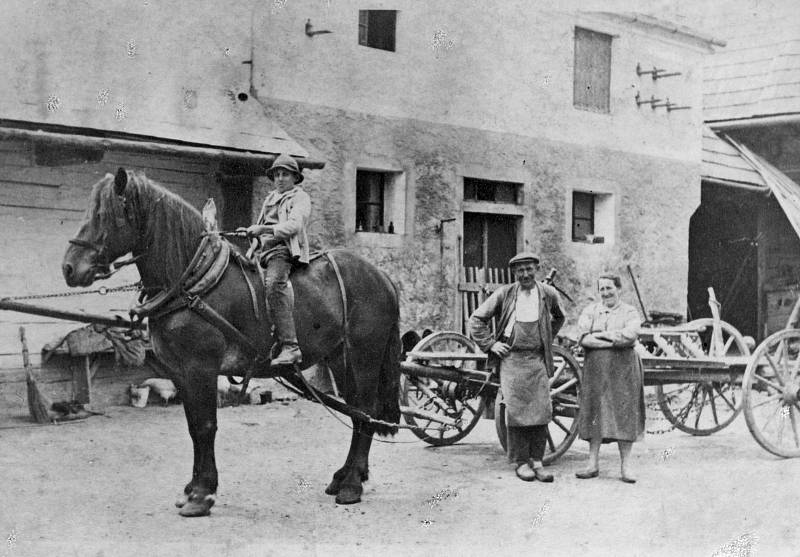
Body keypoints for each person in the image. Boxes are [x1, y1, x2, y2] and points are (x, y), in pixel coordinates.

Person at [469, 252, 565, 482]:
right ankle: (522, 462)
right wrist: (491, 344)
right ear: (514, 273)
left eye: (529, 269)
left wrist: (545, 336)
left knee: (541, 409)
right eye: (520, 271)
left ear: (537, 269)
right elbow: (476, 319)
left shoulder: (548, 293)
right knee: (516, 411)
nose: (525, 274)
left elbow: (559, 317)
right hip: (511, 360)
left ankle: (538, 461)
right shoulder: (505, 294)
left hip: (537, 359)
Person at [237, 153, 311, 367]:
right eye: (277, 174)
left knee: (273, 285)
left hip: (284, 250)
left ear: (295, 178)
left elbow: (294, 226)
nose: (280, 178)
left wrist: (264, 229)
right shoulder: (270, 198)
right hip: (263, 252)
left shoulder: (300, 198)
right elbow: (262, 228)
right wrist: (251, 233)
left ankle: (291, 346)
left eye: (285, 174)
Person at [575, 273, 645, 483]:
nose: (606, 293)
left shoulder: (630, 311)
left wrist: (600, 336)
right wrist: (614, 340)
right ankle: (592, 464)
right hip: (596, 371)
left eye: (609, 288)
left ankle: (626, 467)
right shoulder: (590, 311)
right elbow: (583, 337)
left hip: (623, 371)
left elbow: (631, 335)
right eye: (602, 289)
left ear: (619, 289)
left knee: (624, 413)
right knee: (595, 411)